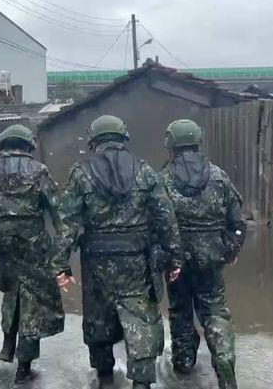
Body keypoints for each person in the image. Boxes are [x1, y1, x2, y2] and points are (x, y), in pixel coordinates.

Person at [57, 115, 183, 389]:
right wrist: (175, 258)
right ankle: (141, 382)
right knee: (141, 318)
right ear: (124, 138)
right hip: (137, 262)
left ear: (94, 141)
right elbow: (166, 217)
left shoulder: (81, 173)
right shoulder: (144, 171)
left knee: (98, 316)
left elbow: (66, 222)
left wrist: (60, 265)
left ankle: (104, 377)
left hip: (97, 263)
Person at [0, 124, 72, 384]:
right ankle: (24, 364)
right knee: (32, 296)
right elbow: (59, 213)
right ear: (28, 146)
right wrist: (62, 252)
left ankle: (7, 347)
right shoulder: (40, 171)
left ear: (4, 146)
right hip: (32, 240)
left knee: (12, 291)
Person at [159, 119, 246, 389]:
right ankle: (223, 363)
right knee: (215, 312)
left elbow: (155, 222)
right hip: (211, 260)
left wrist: (162, 257)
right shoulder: (219, 176)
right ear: (198, 141)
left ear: (171, 145)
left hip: (177, 263)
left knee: (180, 310)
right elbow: (237, 221)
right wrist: (231, 250)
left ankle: (184, 364)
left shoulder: (162, 178)